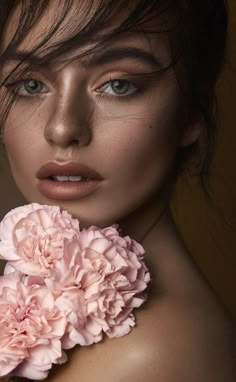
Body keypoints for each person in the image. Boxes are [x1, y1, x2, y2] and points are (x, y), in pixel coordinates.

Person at [0, 1, 235, 381]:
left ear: (191, 111)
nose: (61, 128)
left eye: (118, 84)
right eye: (30, 85)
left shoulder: (148, 357)